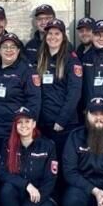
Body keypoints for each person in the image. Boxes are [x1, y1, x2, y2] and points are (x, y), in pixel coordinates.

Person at [0, 33, 41, 173]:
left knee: (10, 174)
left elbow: (34, 104)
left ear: (18, 51)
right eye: (5, 47)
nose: (9, 50)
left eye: (13, 47)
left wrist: (26, 131)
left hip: (13, 135)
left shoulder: (27, 72)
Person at [0, 108, 58, 206]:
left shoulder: (47, 145)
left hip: (41, 196)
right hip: (19, 192)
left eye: (27, 121)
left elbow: (49, 182)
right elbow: (2, 172)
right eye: (19, 122)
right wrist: (26, 185)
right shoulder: (8, 144)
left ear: (34, 124)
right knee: (7, 189)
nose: (23, 125)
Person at [36, 19, 83, 155]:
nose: (53, 37)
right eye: (50, 33)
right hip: (44, 122)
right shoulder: (41, 58)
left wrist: (61, 120)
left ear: (63, 36)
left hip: (63, 124)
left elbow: (74, 93)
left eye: (57, 33)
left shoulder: (71, 60)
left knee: (62, 161)